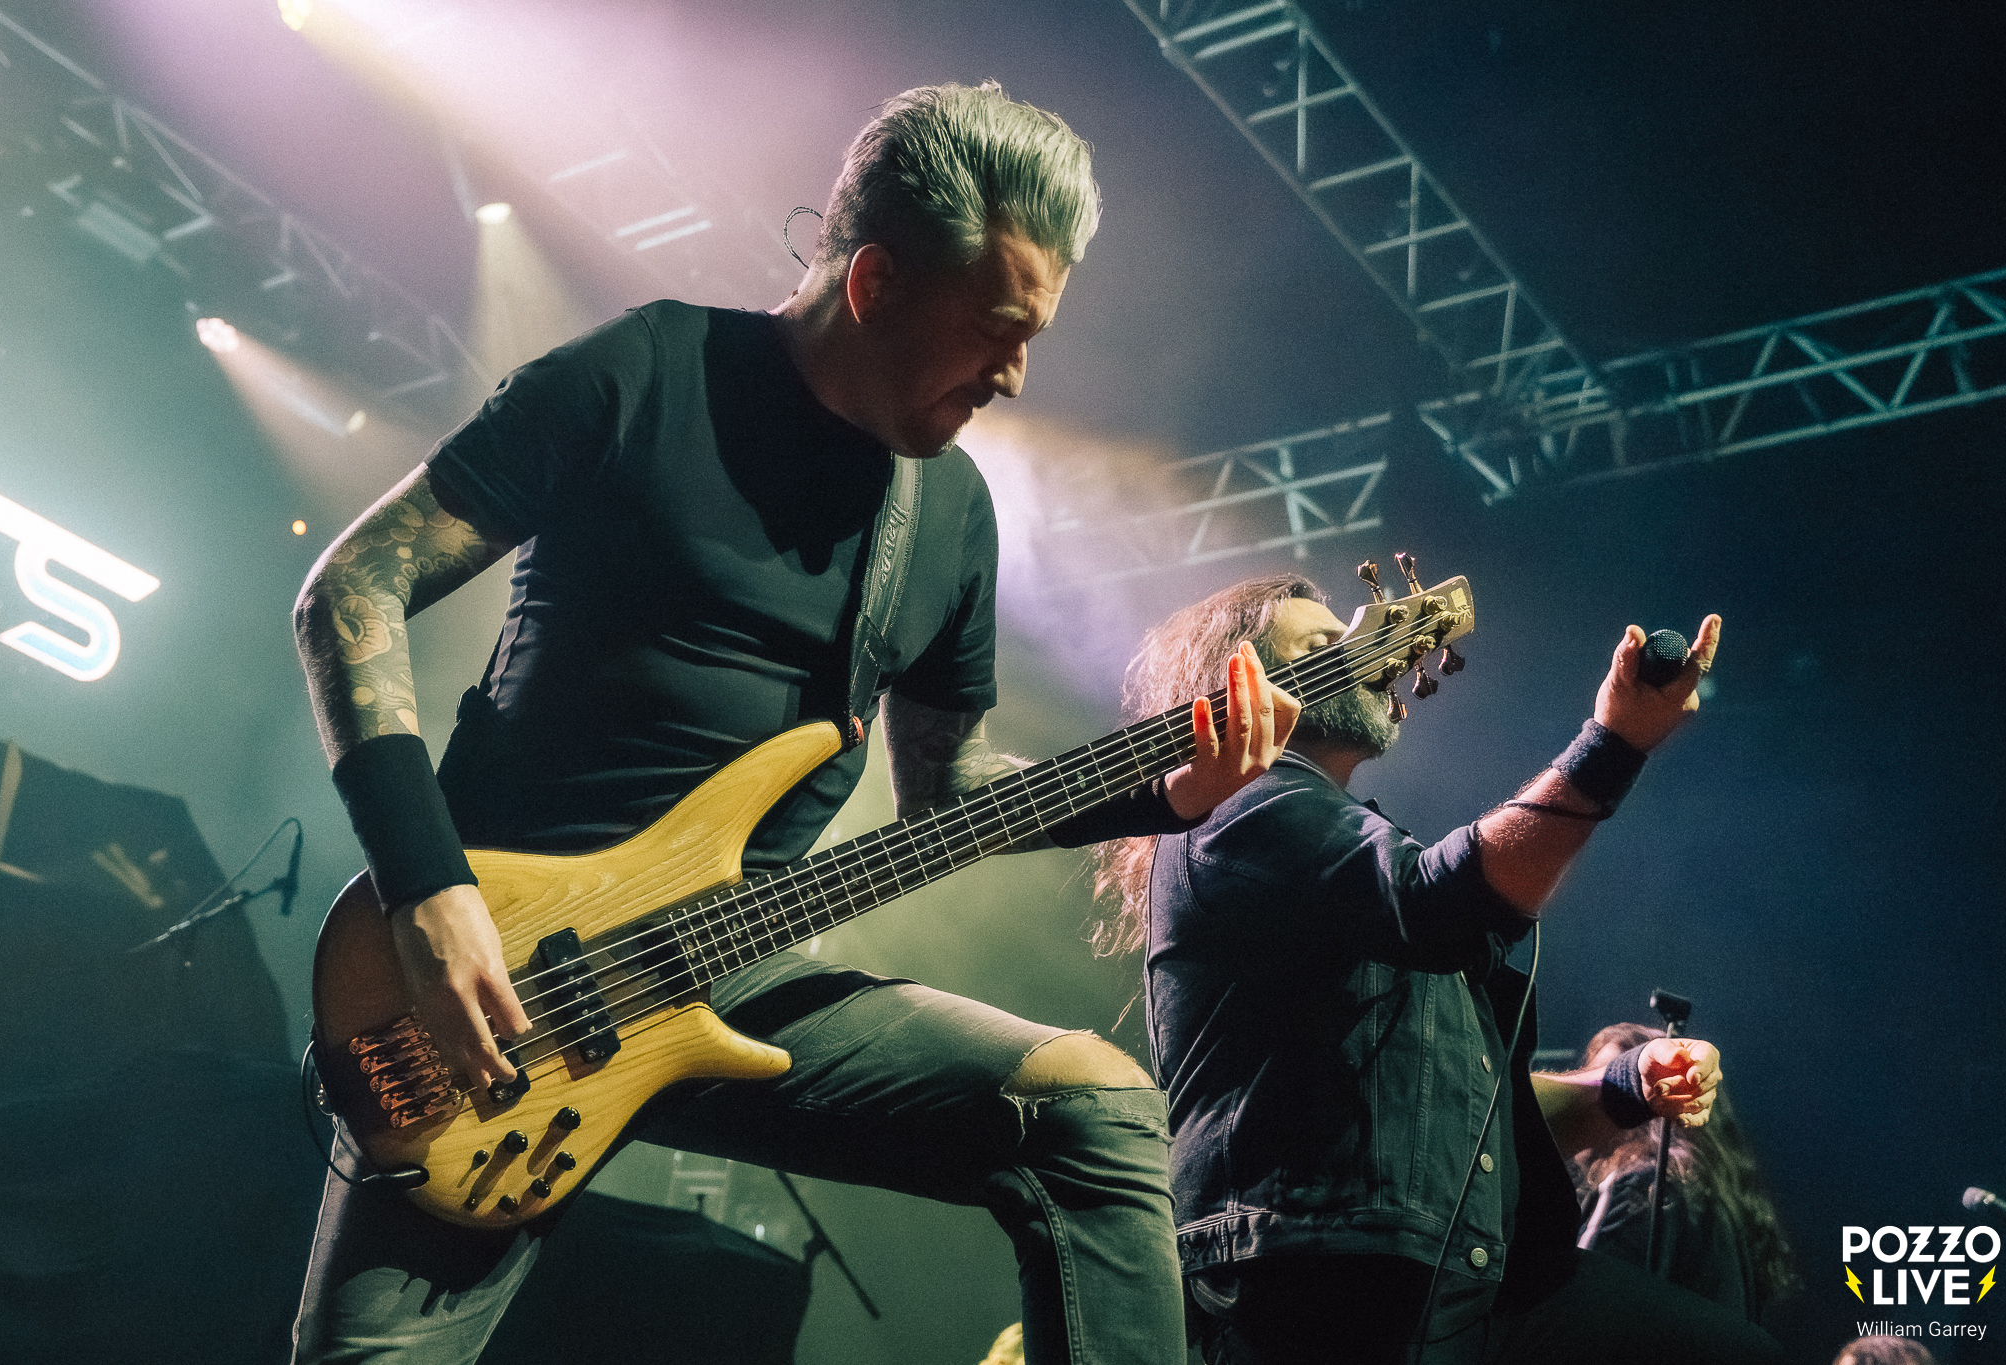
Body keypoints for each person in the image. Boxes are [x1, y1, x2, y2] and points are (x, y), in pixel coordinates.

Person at [290, 83, 1297, 1365]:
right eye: (996, 329)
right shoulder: (644, 372)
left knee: (1093, 1114)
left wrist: (1163, 792)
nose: (1013, 376)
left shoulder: (948, 516)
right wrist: (428, 891)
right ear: (873, 284)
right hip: (496, 970)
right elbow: (353, 589)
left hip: (735, 964)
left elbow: (948, 791)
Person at [1093, 573, 1787, 1364]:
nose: (1361, 653)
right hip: (1327, 1278)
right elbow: (1440, 900)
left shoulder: (1345, 853)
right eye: (1323, 645)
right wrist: (1611, 745)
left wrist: (1621, 1087)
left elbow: (1467, 1109)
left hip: (1457, 1275)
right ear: (1243, 682)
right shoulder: (1243, 808)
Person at [1570, 1022, 1801, 1323]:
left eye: (1605, 1082)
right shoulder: (1709, 1197)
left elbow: (1576, 1316)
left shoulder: (1640, 1188)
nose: (1581, 1096)